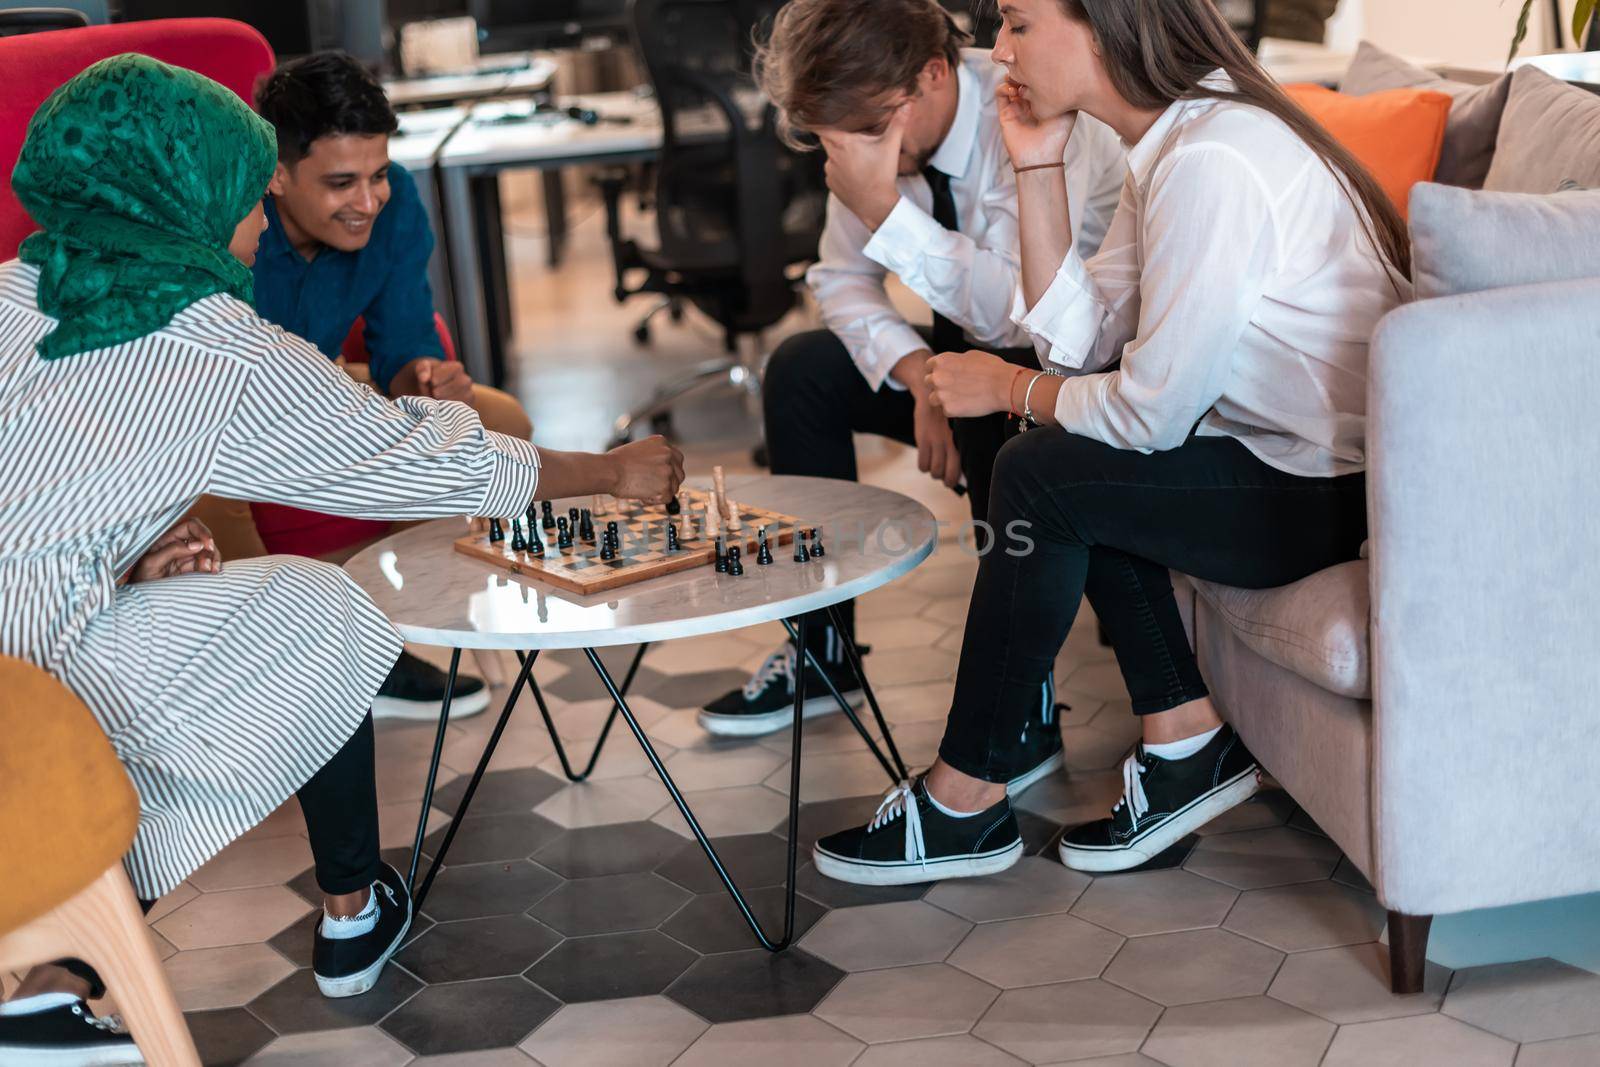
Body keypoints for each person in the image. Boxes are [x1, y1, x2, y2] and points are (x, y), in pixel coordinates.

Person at [0, 55, 682, 1063]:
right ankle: (81, 956)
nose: (251, 217)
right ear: (193, 195)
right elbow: (414, 459)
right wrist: (607, 473)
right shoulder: (212, 341)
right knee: (320, 615)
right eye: (242, 190)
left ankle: (56, 971)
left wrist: (122, 550)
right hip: (28, 692)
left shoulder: (15, 286)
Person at [811, 0, 1407, 885]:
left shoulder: (1211, 161)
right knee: (1057, 457)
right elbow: (1077, 343)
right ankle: (1178, 744)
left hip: (1327, 486)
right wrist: (1037, 167)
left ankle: (965, 798)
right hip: (1271, 457)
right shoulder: (1168, 143)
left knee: (1043, 467)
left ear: (1102, 25)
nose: (998, 48)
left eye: (1015, 23)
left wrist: (1009, 386)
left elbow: (1147, 414)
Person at [699, 0, 1126, 793]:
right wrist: (915, 376)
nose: (857, 156)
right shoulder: (869, 124)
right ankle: (823, 648)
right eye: (837, 140)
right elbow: (840, 278)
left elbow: (1025, 315)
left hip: (1051, 374)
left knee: (996, 406)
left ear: (932, 74)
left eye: (866, 132)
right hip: (958, 363)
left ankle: (1022, 705)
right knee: (800, 370)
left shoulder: (1025, 114)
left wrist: (886, 211)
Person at [212, 52, 536, 722]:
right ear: (275, 172)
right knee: (221, 491)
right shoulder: (224, 225)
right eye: (340, 182)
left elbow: (405, 337)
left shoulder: (397, 205)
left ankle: (395, 633)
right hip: (218, 420)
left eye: (378, 174)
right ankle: (282, 672)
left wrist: (424, 377)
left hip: (323, 392)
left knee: (498, 418)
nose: (368, 201)